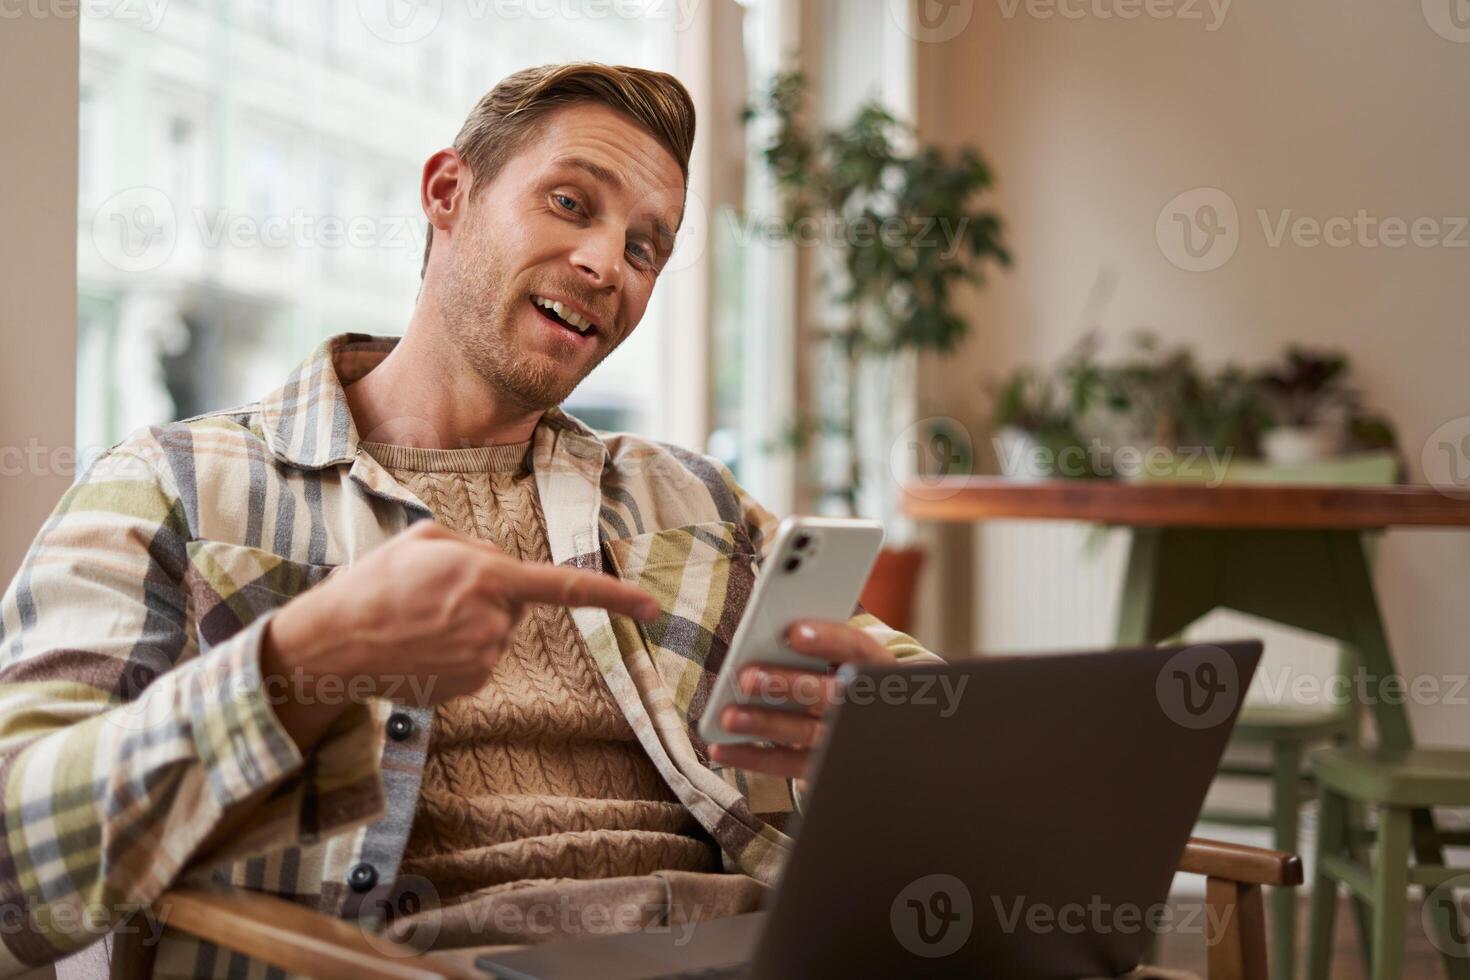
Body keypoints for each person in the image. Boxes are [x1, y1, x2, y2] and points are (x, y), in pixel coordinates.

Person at [0, 63, 938, 978]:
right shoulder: (175, 484)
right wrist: (296, 665)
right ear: (448, 191)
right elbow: (15, 877)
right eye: (572, 203)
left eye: (646, 246)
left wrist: (888, 731)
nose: (607, 263)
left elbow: (959, 734)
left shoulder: (690, 498)